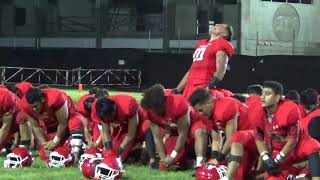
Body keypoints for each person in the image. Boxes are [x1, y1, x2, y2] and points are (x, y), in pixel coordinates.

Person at [253, 81, 320, 179]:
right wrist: (266, 158)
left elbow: (293, 141)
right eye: (262, 93)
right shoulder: (257, 112)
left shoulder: (289, 110)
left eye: (267, 94)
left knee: (313, 147)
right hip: (280, 150)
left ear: (277, 97)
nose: (262, 97)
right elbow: (258, 137)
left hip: (296, 147)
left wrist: (276, 160)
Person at [141, 84, 208, 170]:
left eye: (154, 108)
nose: (153, 111)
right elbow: (157, 138)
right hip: (173, 131)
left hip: (191, 125)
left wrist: (172, 156)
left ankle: (200, 164)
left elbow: (183, 134)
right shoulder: (149, 111)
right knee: (175, 161)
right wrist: (164, 160)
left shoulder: (177, 104)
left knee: (200, 131)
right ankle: (188, 160)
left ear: (162, 103)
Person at [188, 88, 253, 166]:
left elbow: (231, 138)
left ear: (209, 102)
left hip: (254, 138)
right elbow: (216, 140)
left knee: (237, 171)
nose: (200, 114)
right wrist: (214, 158)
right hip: (240, 139)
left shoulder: (225, 107)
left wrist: (218, 159)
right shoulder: (208, 113)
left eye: (201, 110)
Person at [21, 87, 85, 165]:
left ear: (42, 99)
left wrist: (55, 141)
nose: (34, 109)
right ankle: (69, 149)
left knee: (76, 121)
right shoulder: (25, 105)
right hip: (53, 126)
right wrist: (45, 146)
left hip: (68, 119)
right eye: (31, 107)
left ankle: (77, 152)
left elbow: (63, 123)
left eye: (35, 106)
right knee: (44, 155)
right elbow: (35, 127)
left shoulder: (55, 98)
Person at [92, 94, 156, 167]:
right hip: (123, 127)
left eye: (109, 117)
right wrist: (109, 152)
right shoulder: (99, 108)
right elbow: (106, 132)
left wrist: (118, 151)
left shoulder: (127, 105)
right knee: (118, 158)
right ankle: (135, 152)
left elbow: (131, 134)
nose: (108, 120)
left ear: (114, 108)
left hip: (140, 122)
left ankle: (152, 158)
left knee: (148, 126)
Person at [173, 24, 234, 98]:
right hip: (189, 87)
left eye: (221, 25)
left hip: (202, 85)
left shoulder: (222, 44)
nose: (217, 24)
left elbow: (221, 71)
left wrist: (207, 87)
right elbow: (191, 70)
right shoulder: (201, 43)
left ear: (224, 33)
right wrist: (178, 89)